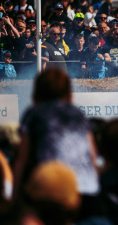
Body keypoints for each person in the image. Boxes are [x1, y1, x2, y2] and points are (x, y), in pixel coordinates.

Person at [13, 68, 103, 221]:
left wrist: (14, 199)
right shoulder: (77, 114)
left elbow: (23, 159)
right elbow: (92, 157)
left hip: (51, 191)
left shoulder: (34, 113)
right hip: (88, 191)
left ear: (36, 93)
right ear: (69, 93)